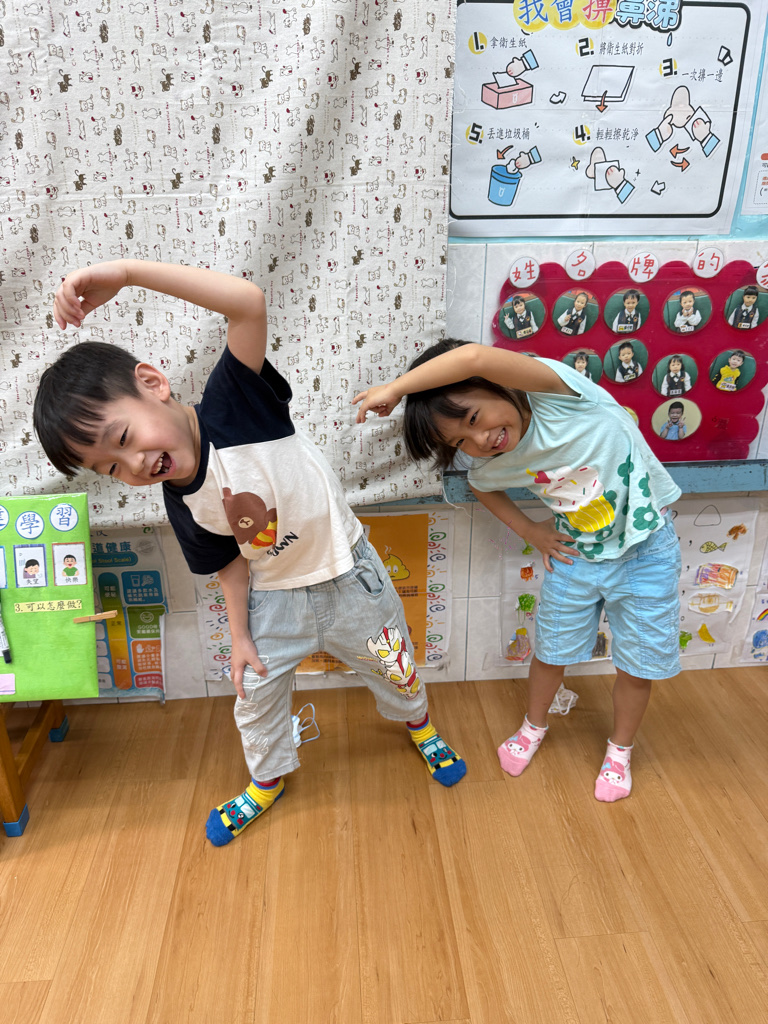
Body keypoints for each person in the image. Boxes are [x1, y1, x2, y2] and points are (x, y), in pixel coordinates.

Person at [33, 260, 466, 846]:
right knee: (254, 697)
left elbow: (247, 304)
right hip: (276, 600)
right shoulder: (180, 499)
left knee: (395, 666)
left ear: (154, 384)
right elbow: (229, 565)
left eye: (125, 439)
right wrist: (240, 636)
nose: (133, 465)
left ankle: (419, 725)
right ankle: (267, 779)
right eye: (111, 469)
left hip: (351, 577)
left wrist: (128, 274)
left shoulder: (235, 402)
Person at [354, 340, 682, 802]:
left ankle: (619, 750)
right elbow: (480, 485)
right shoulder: (499, 461)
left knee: (636, 664)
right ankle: (534, 726)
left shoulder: (560, 395)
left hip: (647, 552)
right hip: (576, 558)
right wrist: (531, 531)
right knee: (550, 650)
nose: (479, 441)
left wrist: (396, 389)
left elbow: (473, 358)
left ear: (499, 383)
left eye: (474, 419)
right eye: (460, 442)